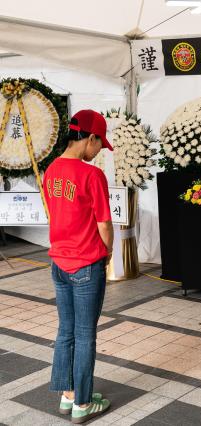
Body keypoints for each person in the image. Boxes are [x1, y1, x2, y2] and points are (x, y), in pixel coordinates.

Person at [44, 110, 114, 424]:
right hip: (86, 264)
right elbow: (104, 224)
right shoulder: (91, 175)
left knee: (66, 332)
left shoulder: (51, 169)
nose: (99, 150)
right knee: (85, 335)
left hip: (58, 261)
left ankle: (68, 396)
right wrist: (107, 254)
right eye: (100, 143)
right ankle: (83, 404)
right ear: (90, 137)